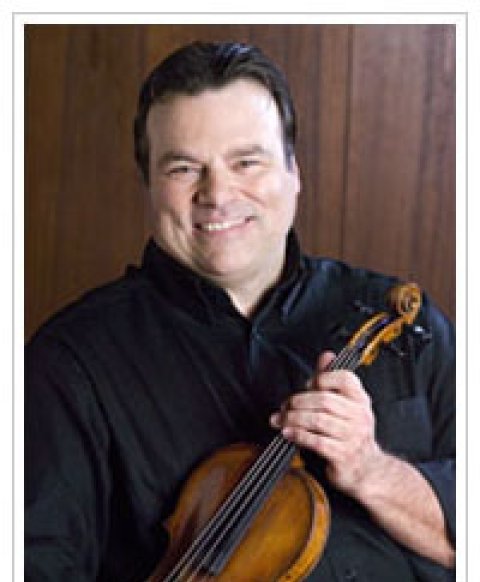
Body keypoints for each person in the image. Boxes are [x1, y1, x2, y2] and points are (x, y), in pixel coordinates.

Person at [25, 41, 455, 581]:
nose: (218, 194)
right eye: (184, 168)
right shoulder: (70, 362)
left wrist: (373, 472)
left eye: (246, 162)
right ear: (149, 184)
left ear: (294, 171)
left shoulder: (403, 321)